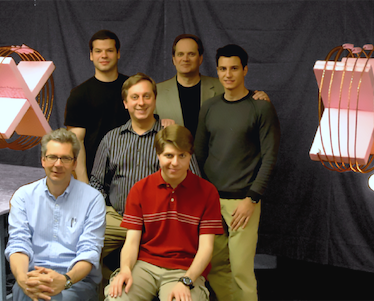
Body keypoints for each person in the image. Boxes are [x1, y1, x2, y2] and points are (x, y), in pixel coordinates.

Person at [89, 73, 200, 286]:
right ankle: (107, 289)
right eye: (135, 97)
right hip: (117, 218)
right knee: (84, 248)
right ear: (125, 103)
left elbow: (194, 182)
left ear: (155, 100)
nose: (141, 103)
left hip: (160, 222)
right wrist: (98, 212)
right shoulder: (111, 139)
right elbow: (96, 183)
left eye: (147, 96)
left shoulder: (171, 136)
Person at [194, 44, 280, 301]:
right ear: (217, 71)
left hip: (243, 201)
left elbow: (270, 157)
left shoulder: (260, 107)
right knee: (216, 266)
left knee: (242, 269)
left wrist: (252, 198)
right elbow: (198, 155)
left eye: (234, 68)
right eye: (222, 68)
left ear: (245, 70)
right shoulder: (209, 107)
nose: (228, 74)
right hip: (211, 200)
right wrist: (202, 196)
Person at [105, 124, 223, 301]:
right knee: (117, 297)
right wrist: (125, 270)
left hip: (185, 269)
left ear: (190, 156)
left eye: (181, 155)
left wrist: (186, 280)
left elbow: (206, 248)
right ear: (158, 155)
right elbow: (131, 242)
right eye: (169, 155)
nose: (175, 162)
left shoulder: (208, 192)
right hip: (145, 265)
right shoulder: (140, 189)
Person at [5, 128, 106, 301]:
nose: (58, 164)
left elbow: (89, 251)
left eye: (65, 158)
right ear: (43, 160)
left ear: (74, 163)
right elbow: (18, 243)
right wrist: (23, 279)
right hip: (33, 276)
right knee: (22, 294)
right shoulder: (23, 196)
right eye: (52, 157)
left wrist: (65, 280)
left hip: (75, 281)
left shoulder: (93, 200)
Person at [156, 34, 270, 136]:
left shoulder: (223, 86)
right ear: (174, 59)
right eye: (180, 54)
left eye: (191, 54)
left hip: (213, 158)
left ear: (200, 59)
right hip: (174, 158)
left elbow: (244, 103)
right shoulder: (155, 92)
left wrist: (260, 100)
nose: (185, 59)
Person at [65, 30, 129, 183]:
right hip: (94, 175)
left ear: (118, 53)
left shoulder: (133, 89)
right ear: (91, 55)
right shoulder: (79, 94)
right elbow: (76, 141)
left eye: (109, 51)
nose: (104, 56)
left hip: (130, 172)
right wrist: (83, 182)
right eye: (98, 51)